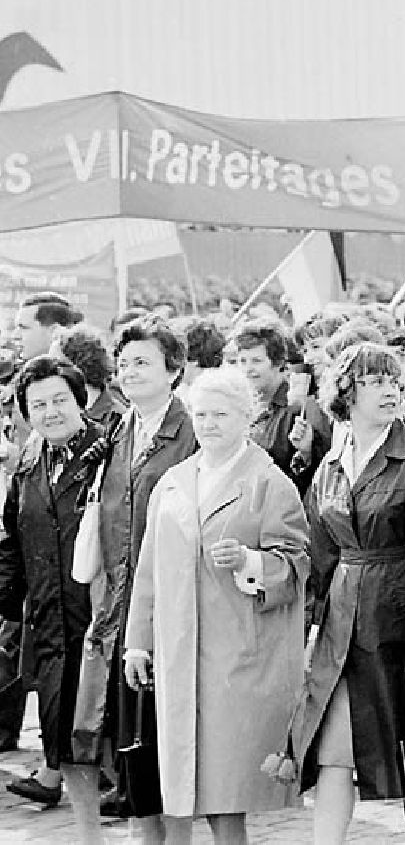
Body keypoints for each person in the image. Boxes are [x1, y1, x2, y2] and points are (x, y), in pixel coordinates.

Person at [123, 367, 309, 842]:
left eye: (221, 414)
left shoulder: (270, 482)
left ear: (246, 417)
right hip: (179, 652)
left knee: (226, 795)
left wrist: (251, 560)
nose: (208, 424)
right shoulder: (173, 481)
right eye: (201, 414)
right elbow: (149, 569)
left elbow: (297, 564)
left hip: (238, 657)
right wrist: (138, 643)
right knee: (179, 787)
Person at [283, 342, 405, 845]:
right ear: (346, 393)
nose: (389, 391)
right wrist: (312, 627)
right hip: (341, 623)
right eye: (374, 382)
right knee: (332, 749)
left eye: (394, 381)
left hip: (398, 619)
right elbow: (318, 553)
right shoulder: (331, 462)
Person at [98, 316, 198, 834]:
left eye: (143, 361)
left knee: (169, 754)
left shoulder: (192, 430)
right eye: (124, 362)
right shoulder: (122, 429)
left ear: (173, 370)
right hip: (124, 609)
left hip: (176, 608)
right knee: (137, 760)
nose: (129, 371)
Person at [0, 358, 107, 838]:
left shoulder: (111, 451)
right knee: (65, 742)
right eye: (37, 404)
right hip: (50, 627)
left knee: (118, 744)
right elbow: (13, 543)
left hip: (102, 621)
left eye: (59, 399)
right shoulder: (27, 460)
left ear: (79, 400)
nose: (50, 411)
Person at [232, 321, 331, 495]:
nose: (248, 369)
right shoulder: (240, 404)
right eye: (242, 361)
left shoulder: (298, 407)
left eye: (256, 361)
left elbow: (311, 476)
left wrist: (306, 453)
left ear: (278, 363)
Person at [51, 325, 127, 427]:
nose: (48, 373)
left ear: (79, 367)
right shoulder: (56, 412)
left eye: (56, 365)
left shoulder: (118, 419)